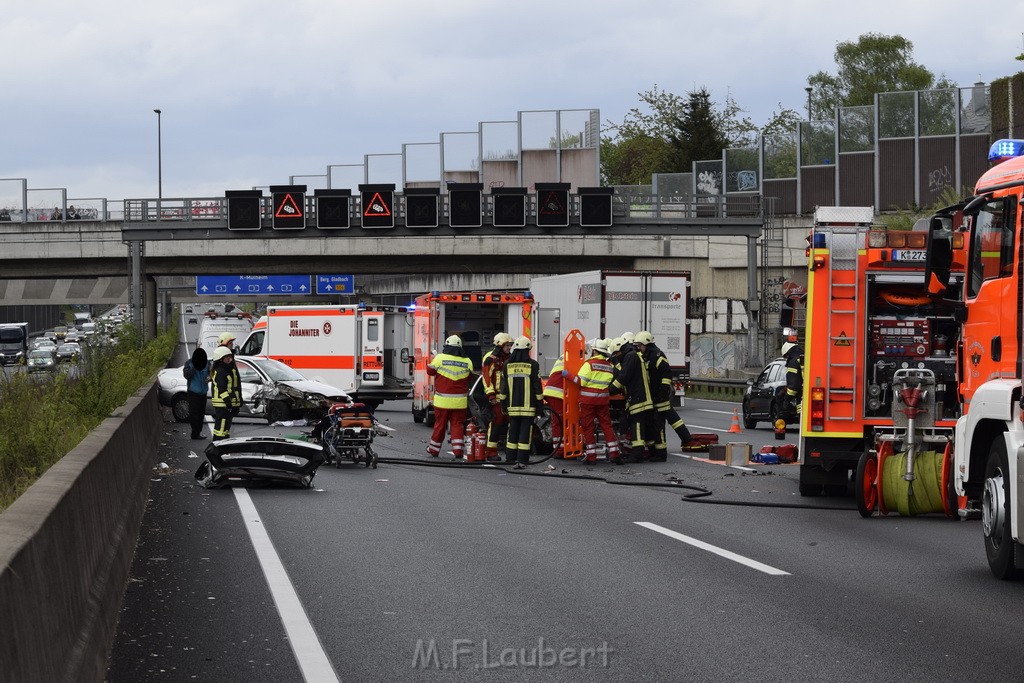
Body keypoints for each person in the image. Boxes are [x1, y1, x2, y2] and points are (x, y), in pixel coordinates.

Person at [634, 330, 692, 448]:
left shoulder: (657, 356)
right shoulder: (648, 356)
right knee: (671, 417)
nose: (639, 348)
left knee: (666, 420)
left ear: (647, 344)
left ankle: (686, 438)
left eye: (640, 345)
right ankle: (686, 438)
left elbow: (666, 374)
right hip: (655, 395)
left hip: (660, 395)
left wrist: (662, 391)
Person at [612, 335, 664, 463]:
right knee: (649, 428)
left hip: (639, 399)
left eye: (616, 353)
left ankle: (637, 454)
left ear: (621, 350)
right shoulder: (635, 355)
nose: (617, 356)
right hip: (644, 397)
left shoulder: (630, 357)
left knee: (637, 426)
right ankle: (655, 453)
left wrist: (609, 390)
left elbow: (624, 377)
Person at [568, 338, 620, 464]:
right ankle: (615, 453)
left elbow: (581, 381)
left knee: (588, 427)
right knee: (606, 426)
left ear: (595, 351)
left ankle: (591, 457)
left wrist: (567, 375)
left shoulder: (589, 364)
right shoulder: (609, 366)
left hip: (588, 401)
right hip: (603, 400)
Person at [499, 336, 544, 469]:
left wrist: (503, 405)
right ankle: (523, 459)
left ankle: (510, 458)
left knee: (512, 431)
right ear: (527, 350)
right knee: (525, 432)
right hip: (528, 407)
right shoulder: (533, 365)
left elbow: (503, 388)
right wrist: (540, 406)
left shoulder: (507, 365)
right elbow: (538, 387)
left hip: (512, 407)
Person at [426, 335, 474, 458]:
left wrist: (434, 358)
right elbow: (469, 377)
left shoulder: (440, 358)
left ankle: (433, 450)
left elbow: (430, 371)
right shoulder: (467, 361)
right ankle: (458, 451)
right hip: (460, 402)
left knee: (440, 425)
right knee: (457, 425)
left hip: (442, 402)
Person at [481, 332, 513, 461]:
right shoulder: (490, 358)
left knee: (512, 424)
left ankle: (510, 451)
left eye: (510, 345)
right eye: (507, 345)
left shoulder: (510, 358)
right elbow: (486, 378)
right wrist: (491, 395)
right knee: (496, 424)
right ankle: (491, 452)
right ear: (500, 345)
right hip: (497, 398)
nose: (509, 348)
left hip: (509, 397)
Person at [210, 346, 242, 440]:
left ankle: (224, 445)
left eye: (229, 357)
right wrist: (228, 403)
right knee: (221, 428)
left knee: (225, 428)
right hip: (222, 403)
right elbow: (222, 389)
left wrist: (236, 403)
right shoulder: (220, 371)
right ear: (220, 359)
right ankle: (218, 446)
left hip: (225, 403)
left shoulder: (227, 369)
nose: (229, 359)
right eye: (226, 357)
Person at [182, 347, 210, 439]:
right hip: (193, 392)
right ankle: (194, 433)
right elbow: (186, 375)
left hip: (203, 392)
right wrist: (195, 367)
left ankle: (198, 432)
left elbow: (211, 373)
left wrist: (209, 378)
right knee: (194, 413)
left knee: (201, 413)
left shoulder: (207, 363)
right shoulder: (189, 363)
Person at [542, 352, 566, 458]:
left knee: (558, 422)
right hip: (557, 393)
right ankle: (559, 450)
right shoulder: (571, 359)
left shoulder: (564, 358)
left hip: (554, 393)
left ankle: (559, 448)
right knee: (559, 421)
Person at [783, 338, 804, 409]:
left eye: (786, 356)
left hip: (802, 395)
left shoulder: (793, 362)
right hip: (809, 391)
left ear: (788, 353)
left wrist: (787, 399)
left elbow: (793, 386)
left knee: (801, 415)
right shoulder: (805, 357)